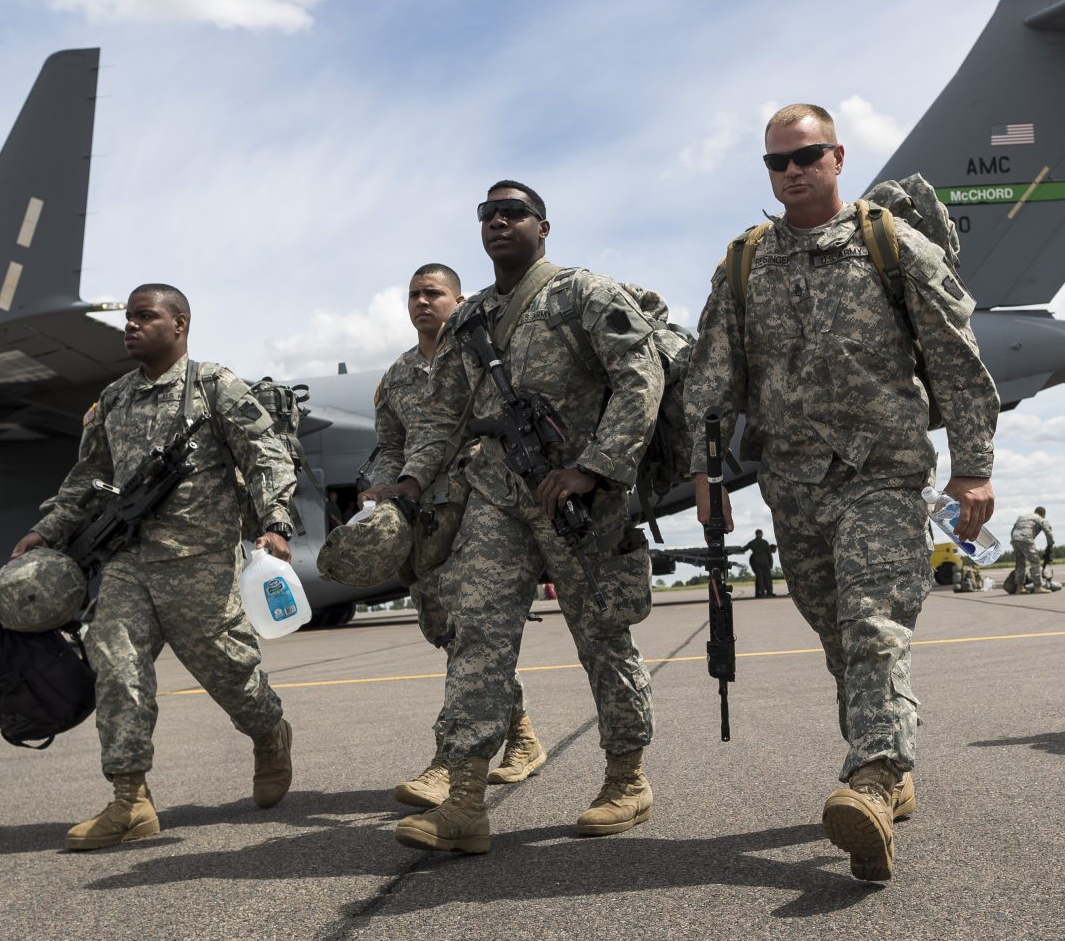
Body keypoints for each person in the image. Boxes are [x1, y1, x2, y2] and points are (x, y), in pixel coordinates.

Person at [686, 103, 1000, 881]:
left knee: (870, 623)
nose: (792, 171)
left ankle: (874, 775)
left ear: (837, 156)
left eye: (807, 155)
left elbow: (956, 360)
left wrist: (973, 464)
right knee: (835, 631)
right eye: (777, 162)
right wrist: (706, 472)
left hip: (883, 472)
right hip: (791, 482)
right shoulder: (744, 263)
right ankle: (885, 767)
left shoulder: (890, 244)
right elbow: (711, 380)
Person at [376, 180, 665, 852]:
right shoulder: (470, 317)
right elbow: (445, 411)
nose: (498, 221)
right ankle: (466, 802)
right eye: (488, 213)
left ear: (544, 226)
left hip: (580, 501)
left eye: (514, 212)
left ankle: (627, 778)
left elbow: (639, 374)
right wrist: (413, 477)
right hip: (498, 496)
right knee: (476, 635)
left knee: (603, 637)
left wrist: (593, 467)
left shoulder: (582, 294)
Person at [10, 285, 298, 851]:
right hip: (128, 562)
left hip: (200, 564)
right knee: (116, 669)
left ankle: (269, 733)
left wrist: (275, 521)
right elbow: (85, 478)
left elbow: (266, 454)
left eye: (146, 317)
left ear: (180, 324)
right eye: (129, 318)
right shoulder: (113, 400)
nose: (132, 327)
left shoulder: (215, 387)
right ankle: (130, 801)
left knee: (233, 679)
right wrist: (48, 528)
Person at [359, 263, 546, 810]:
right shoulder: (394, 377)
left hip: (481, 506)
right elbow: (390, 446)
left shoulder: (482, 358)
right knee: (446, 631)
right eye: (414, 294)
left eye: (433, 293)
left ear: (458, 299)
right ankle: (524, 734)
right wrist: (381, 491)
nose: (422, 302)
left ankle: (449, 762)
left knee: (473, 630)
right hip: (426, 518)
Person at [1010, 507, 1051, 593]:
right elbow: (1048, 532)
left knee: (1020, 563)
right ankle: (1038, 587)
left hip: (1015, 539)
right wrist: (1050, 544)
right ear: (1043, 514)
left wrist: (1014, 542)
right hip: (1026, 539)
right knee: (1035, 562)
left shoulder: (1022, 517)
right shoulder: (1039, 518)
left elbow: (1013, 529)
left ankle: (1019, 588)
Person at [747, 528, 778, 597]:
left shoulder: (752, 542)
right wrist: (771, 563)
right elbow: (769, 554)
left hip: (756, 562)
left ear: (756, 534)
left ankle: (762, 593)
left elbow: (744, 548)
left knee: (759, 578)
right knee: (768, 578)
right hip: (765, 562)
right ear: (761, 534)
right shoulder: (765, 542)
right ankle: (769, 592)